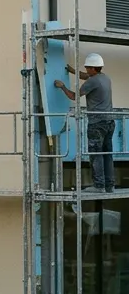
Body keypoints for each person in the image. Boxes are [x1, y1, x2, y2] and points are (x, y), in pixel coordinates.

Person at [55, 52, 116, 192]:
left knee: (96, 154)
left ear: (94, 69)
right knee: (107, 154)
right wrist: (73, 71)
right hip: (109, 122)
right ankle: (109, 185)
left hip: (97, 124)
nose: (86, 69)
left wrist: (62, 86)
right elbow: (86, 75)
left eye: (88, 67)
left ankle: (99, 186)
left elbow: (74, 96)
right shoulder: (105, 78)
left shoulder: (92, 81)